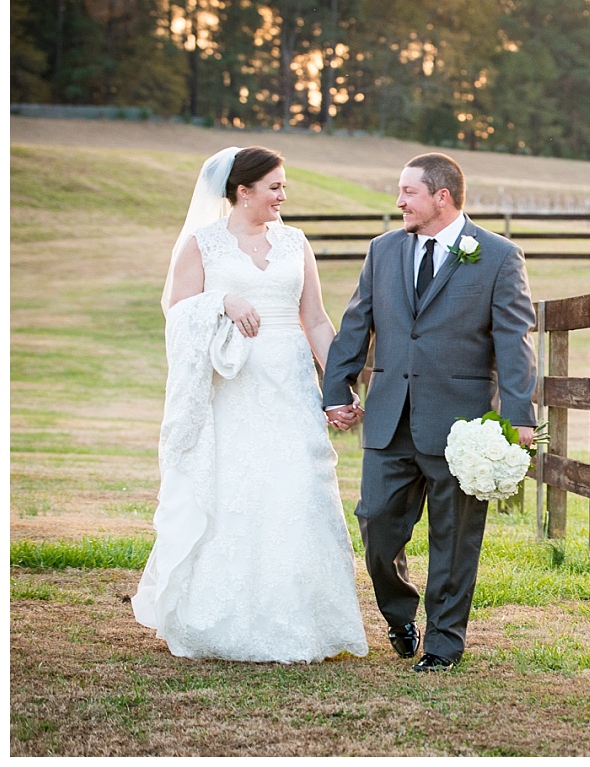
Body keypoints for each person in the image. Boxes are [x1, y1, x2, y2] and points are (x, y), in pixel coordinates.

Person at [132, 146, 368, 664]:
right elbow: (177, 312)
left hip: (290, 385)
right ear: (244, 192)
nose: (284, 195)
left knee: (297, 489)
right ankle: (220, 620)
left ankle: (303, 621)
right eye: (275, 187)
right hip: (232, 390)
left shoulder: (295, 242)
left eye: (283, 186)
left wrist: (339, 386)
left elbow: (317, 320)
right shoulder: (202, 244)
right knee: (238, 492)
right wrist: (222, 302)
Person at [322, 152, 537, 672]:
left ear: (442, 197)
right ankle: (399, 615)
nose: (398, 202)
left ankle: (443, 644)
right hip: (389, 416)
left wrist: (517, 415)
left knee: (455, 540)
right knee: (375, 525)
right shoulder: (383, 250)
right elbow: (357, 324)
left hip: (460, 425)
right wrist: (337, 387)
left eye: (408, 193)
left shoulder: (498, 256)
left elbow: (514, 339)